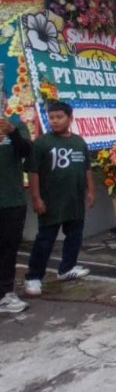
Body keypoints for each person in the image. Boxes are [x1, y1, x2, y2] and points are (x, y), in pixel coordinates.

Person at [24, 101, 94, 297]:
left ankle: (66, 269)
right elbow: (33, 172)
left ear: (70, 119)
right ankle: (34, 277)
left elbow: (87, 169)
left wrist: (91, 192)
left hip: (74, 201)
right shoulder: (42, 143)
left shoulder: (79, 142)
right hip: (51, 202)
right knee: (45, 240)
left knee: (74, 236)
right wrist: (36, 198)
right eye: (51, 117)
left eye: (59, 117)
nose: (54, 121)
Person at [0, 110, 32, 312]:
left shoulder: (16, 124)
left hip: (12, 200)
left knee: (8, 248)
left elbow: (27, 151)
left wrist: (12, 133)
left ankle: (5, 294)